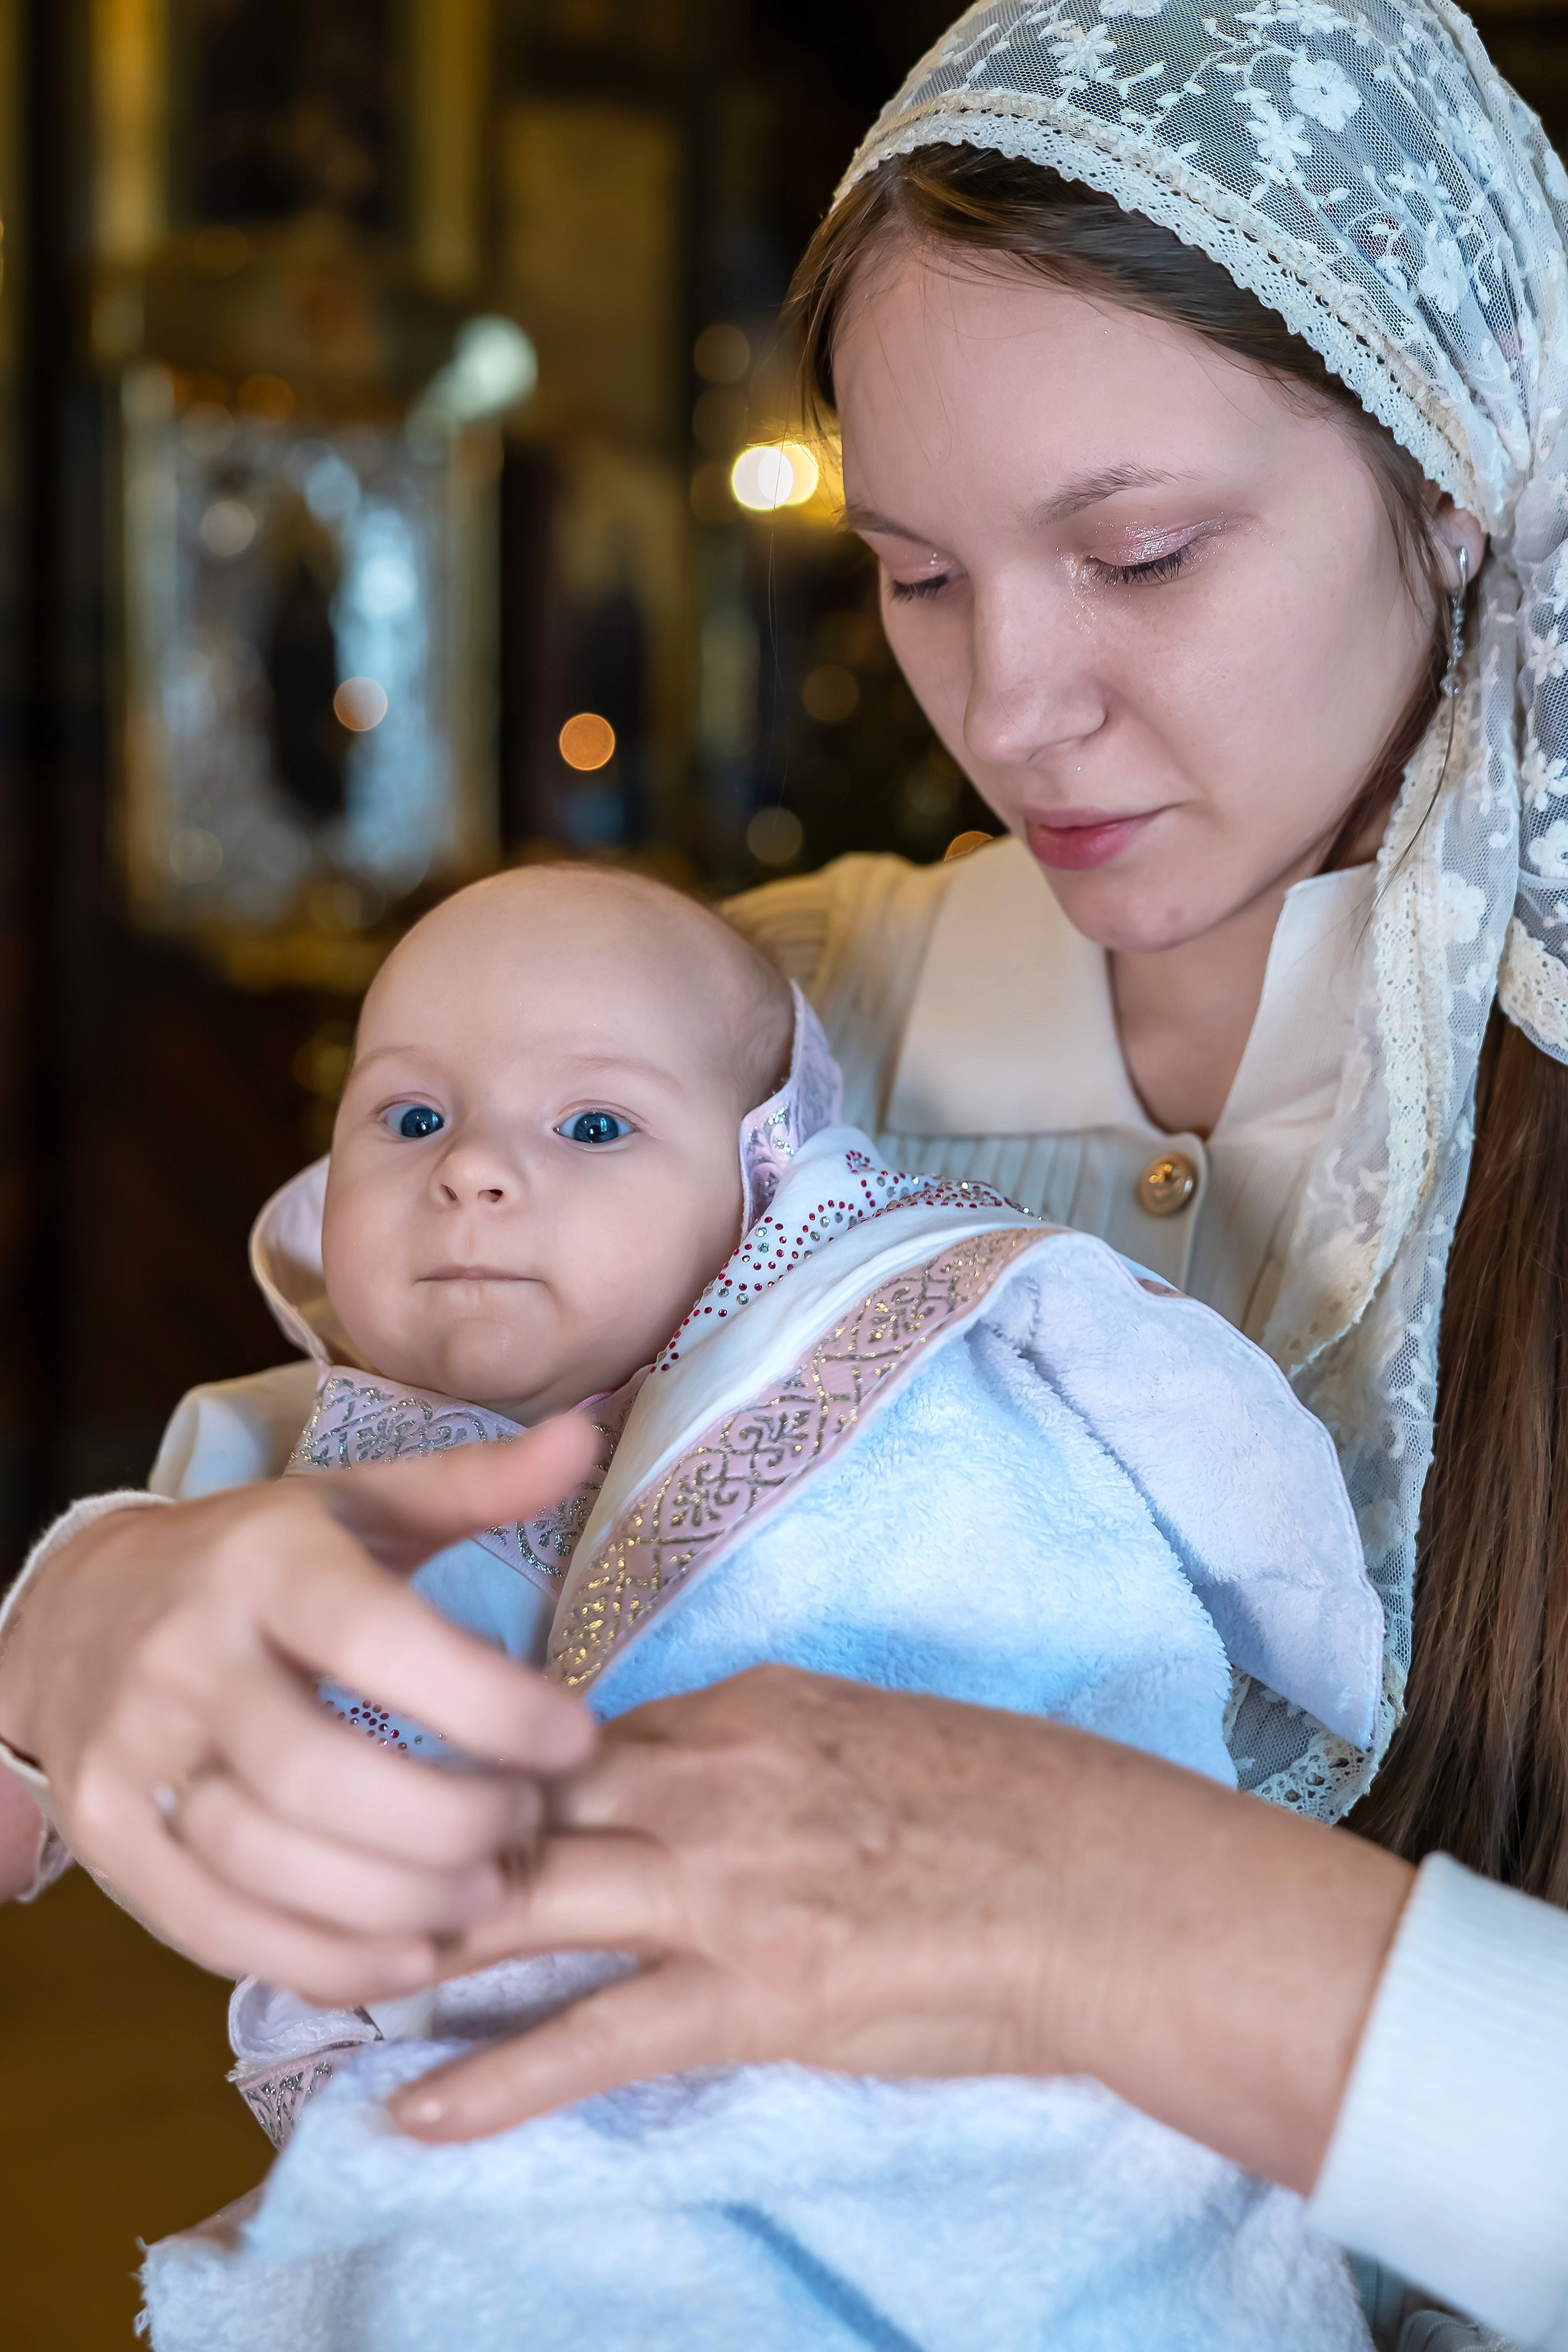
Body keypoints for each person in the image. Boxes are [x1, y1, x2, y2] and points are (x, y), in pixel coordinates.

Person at [1, 0, 1566, 2329]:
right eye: (918, 574)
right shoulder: (777, 1016)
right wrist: (87, 1606)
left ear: (1456, 481)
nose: (1011, 703)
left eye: (1136, 555)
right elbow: (366, 1438)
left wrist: (1110, 1913)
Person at [140, 867, 1381, 2348]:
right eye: (410, 1118)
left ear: (761, 1183)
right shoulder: (316, 1456)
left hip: (948, 2052)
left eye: (592, 1125)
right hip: (511, 2153)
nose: (470, 1169)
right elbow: (139, 1677)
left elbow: (1128, 1557)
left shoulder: (894, 1367)